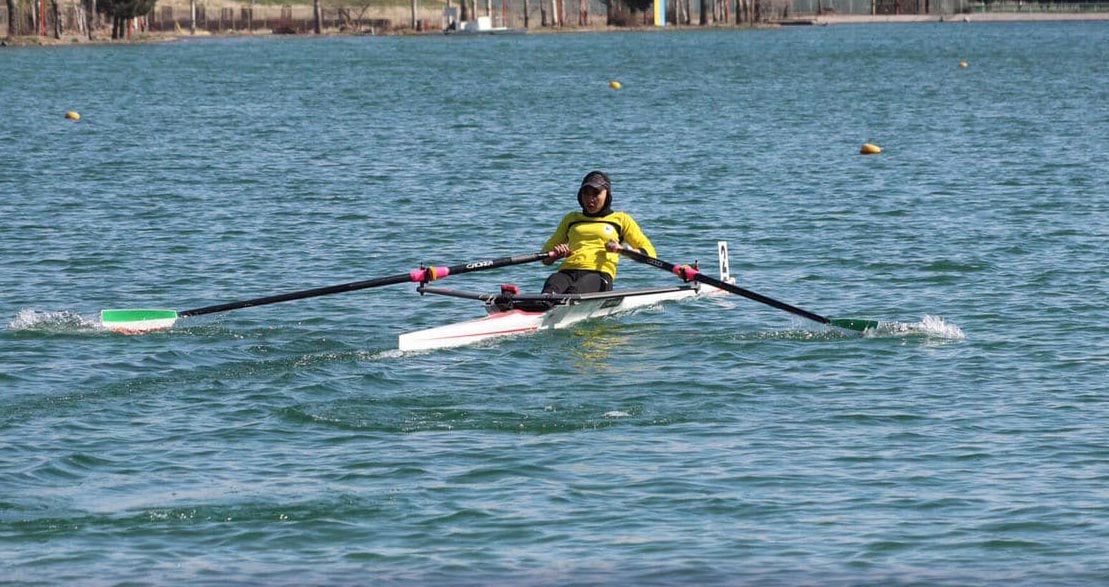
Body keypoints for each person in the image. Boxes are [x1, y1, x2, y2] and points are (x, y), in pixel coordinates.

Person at [539, 171, 656, 294]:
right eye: (586, 194)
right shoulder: (571, 219)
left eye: (596, 193)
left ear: (607, 195)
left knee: (574, 292)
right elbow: (544, 258)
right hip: (567, 271)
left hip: (599, 276)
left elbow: (650, 254)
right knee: (552, 284)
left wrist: (621, 250)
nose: (590, 199)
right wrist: (556, 255)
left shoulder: (621, 220)